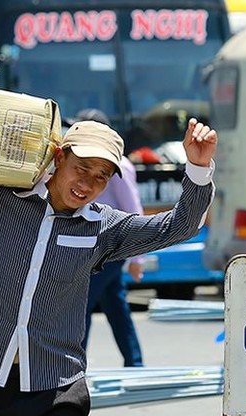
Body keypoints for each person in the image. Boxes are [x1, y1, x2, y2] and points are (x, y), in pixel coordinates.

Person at [0, 80, 217, 416]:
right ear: (58, 156)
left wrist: (198, 166)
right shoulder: (0, 202)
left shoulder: (103, 227)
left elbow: (180, 226)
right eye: (82, 168)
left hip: (58, 391)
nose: (88, 183)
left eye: (101, 177)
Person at [69, 109, 145, 367]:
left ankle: (73, 365)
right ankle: (134, 363)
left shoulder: (119, 165)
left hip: (110, 246)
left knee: (80, 303)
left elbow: (133, 209)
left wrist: (138, 258)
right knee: (116, 306)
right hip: (93, 245)